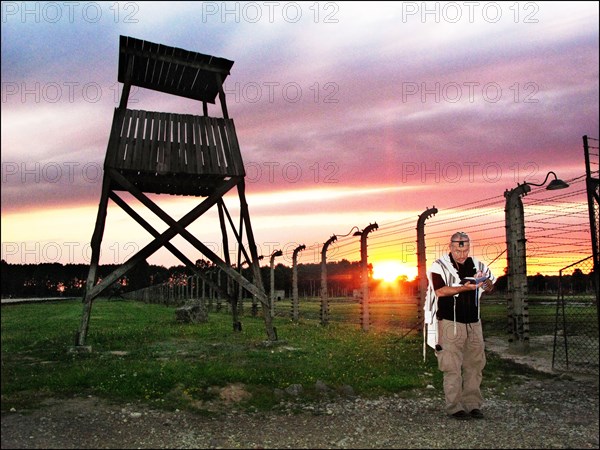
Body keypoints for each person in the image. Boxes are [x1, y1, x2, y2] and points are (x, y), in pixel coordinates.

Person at [424, 231, 496, 420]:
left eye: (465, 250)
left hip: (474, 323)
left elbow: (490, 286)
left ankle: (473, 405)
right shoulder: (439, 266)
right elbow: (439, 291)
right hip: (449, 323)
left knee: (475, 364)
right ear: (451, 247)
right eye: (457, 250)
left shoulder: (478, 265)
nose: (462, 254)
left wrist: (485, 283)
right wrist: (463, 287)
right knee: (451, 366)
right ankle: (455, 407)